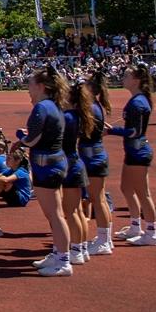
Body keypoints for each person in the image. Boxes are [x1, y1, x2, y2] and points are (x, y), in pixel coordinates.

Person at [17, 66, 72, 275]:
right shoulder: (54, 106)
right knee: (54, 214)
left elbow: (31, 140)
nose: (28, 90)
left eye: (30, 86)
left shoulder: (42, 107)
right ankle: (58, 252)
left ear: (40, 86)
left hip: (46, 165)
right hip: (53, 163)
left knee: (55, 214)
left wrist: (20, 138)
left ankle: (63, 260)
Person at [108, 64, 156, 245]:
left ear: (136, 80)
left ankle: (152, 233)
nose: (123, 78)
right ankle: (136, 225)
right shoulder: (138, 100)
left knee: (143, 192)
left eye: (127, 76)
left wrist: (112, 130)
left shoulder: (138, 103)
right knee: (126, 188)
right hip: (133, 151)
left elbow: (134, 132)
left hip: (138, 151)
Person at [60, 78, 92, 265]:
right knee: (77, 210)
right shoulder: (76, 115)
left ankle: (76, 249)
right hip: (75, 162)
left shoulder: (68, 117)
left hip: (69, 164)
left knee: (71, 211)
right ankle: (82, 247)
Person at [81, 73, 113, 254]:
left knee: (97, 199)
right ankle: (105, 238)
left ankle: (103, 240)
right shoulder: (96, 106)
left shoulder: (91, 108)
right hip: (96, 154)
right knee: (99, 198)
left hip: (92, 155)